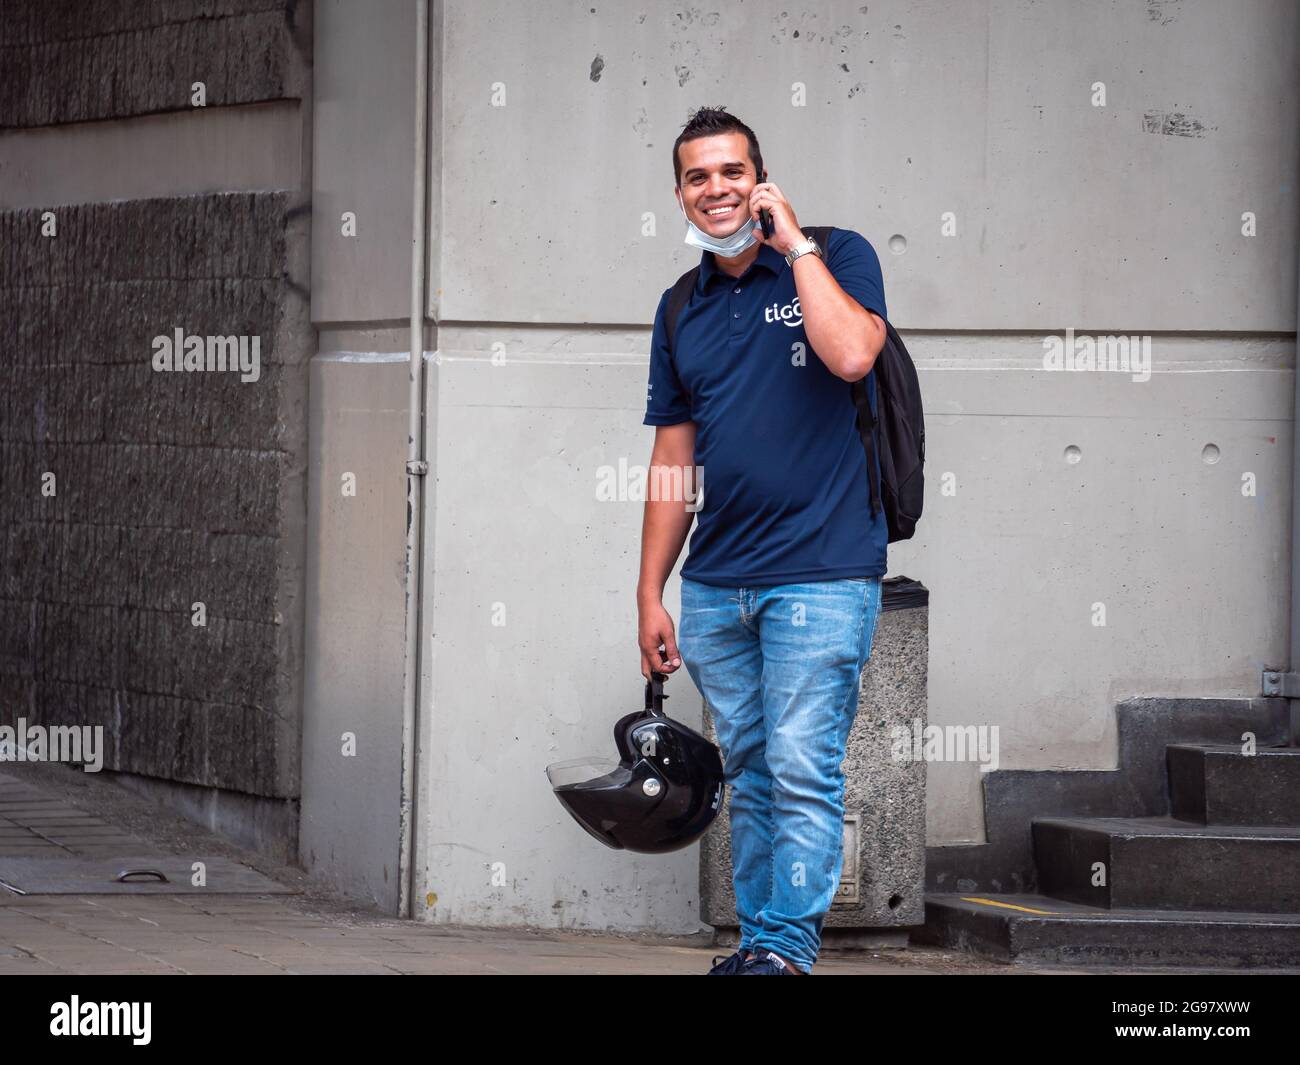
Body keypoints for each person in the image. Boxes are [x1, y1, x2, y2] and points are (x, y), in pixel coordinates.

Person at [637, 106, 889, 976]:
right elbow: (673, 460)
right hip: (716, 586)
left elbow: (854, 354)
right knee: (750, 772)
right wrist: (650, 592)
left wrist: (796, 248)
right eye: (699, 176)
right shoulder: (680, 307)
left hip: (821, 574)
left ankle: (783, 953)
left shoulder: (838, 255)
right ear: (680, 193)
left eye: (732, 172)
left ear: (761, 179)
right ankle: (758, 944)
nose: (717, 189)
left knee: (804, 768)